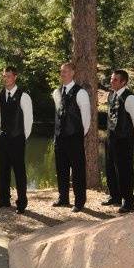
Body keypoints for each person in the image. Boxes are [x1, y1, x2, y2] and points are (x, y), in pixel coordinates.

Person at [0, 66, 33, 214]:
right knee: (3, 170)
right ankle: (3, 199)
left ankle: (21, 203)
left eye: (8, 76)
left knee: (19, 172)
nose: (6, 78)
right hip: (2, 139)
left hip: (17, 139)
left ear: (15, 77)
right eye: (4, 76)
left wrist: (21, 137)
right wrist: (0, 134)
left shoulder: (24, 96)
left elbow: (29, 121)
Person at [52, 62, 91, 213]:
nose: (63, 74)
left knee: (78, 171)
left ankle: (79, 201)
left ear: (73, 72)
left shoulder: (81, 93)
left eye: (66, 71)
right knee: (61, 169)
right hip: (59, 138)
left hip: (74, 138)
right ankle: (63, 198)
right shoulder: (56, 92)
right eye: (61, 71)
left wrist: (79, 134)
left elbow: (86, 119)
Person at [102, 69, 134, 213]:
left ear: (123, 82)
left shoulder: (129, 98)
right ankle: (115, 197)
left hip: (124, 140)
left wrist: (133, 137)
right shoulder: (112, 95)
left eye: (115, 80)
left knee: (125, 171)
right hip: (111, 139)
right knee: (110, 168)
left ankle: (128, 201)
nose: (111, 81)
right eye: (111, 79)